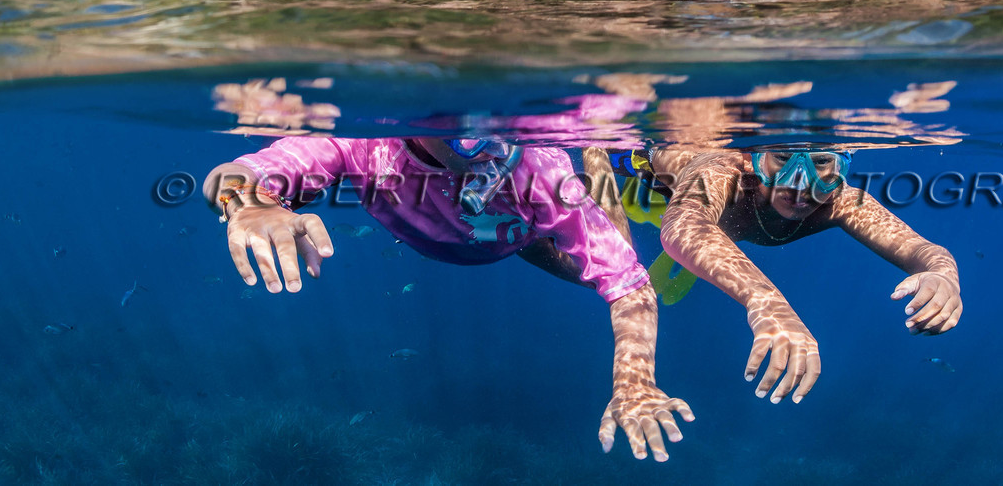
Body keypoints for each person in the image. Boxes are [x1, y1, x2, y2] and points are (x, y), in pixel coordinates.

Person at [202, 95, 692, 462]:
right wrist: (252, 204)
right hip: (495, 233)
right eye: (471, 135)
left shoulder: (537, 172)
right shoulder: (364, 139)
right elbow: (235, 173)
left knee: (615, 260)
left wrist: (635, 383)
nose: (494, 151)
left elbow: (630, 285)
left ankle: (595, 150)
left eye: (509, 128)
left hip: (521, 237)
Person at [587, 77, 963, 407]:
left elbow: (925, 252)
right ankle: (595, 142)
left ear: (843, 166)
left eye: (820, 164)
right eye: (781, 158)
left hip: (703, 222)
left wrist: (944, 275)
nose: (799, 183)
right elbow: (684, 225)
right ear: (755, 159)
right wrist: (766, 303)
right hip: (647, 181)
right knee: (620, 253)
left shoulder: (843, 201)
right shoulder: (723, 171)